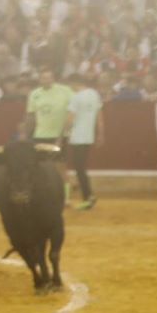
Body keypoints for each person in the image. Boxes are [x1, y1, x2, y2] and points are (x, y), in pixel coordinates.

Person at [25, 67, 73, 195]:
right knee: (39, 167)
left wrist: (61, 137)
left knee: (60, 168)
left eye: (48, 77)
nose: (46, 80)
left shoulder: (65, 91)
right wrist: (26, 135)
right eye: (43, 78)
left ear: (53, 78)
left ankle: (66, 198)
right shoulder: (34, 94)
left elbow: (71, 114)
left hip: (58, 135)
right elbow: (31, 116)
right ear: (39, 79)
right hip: (39, 136)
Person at [64, 71, 104, 211]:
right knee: (81, 168)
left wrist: (64, 133)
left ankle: (88, 197)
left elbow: (70, 119)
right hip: (88, 137)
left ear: (74, 83)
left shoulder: (76, 97)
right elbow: (99, 116)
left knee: (79, 168)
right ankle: (87, 195)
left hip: (77, 137)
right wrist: (100, 134)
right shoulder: (94, 94)